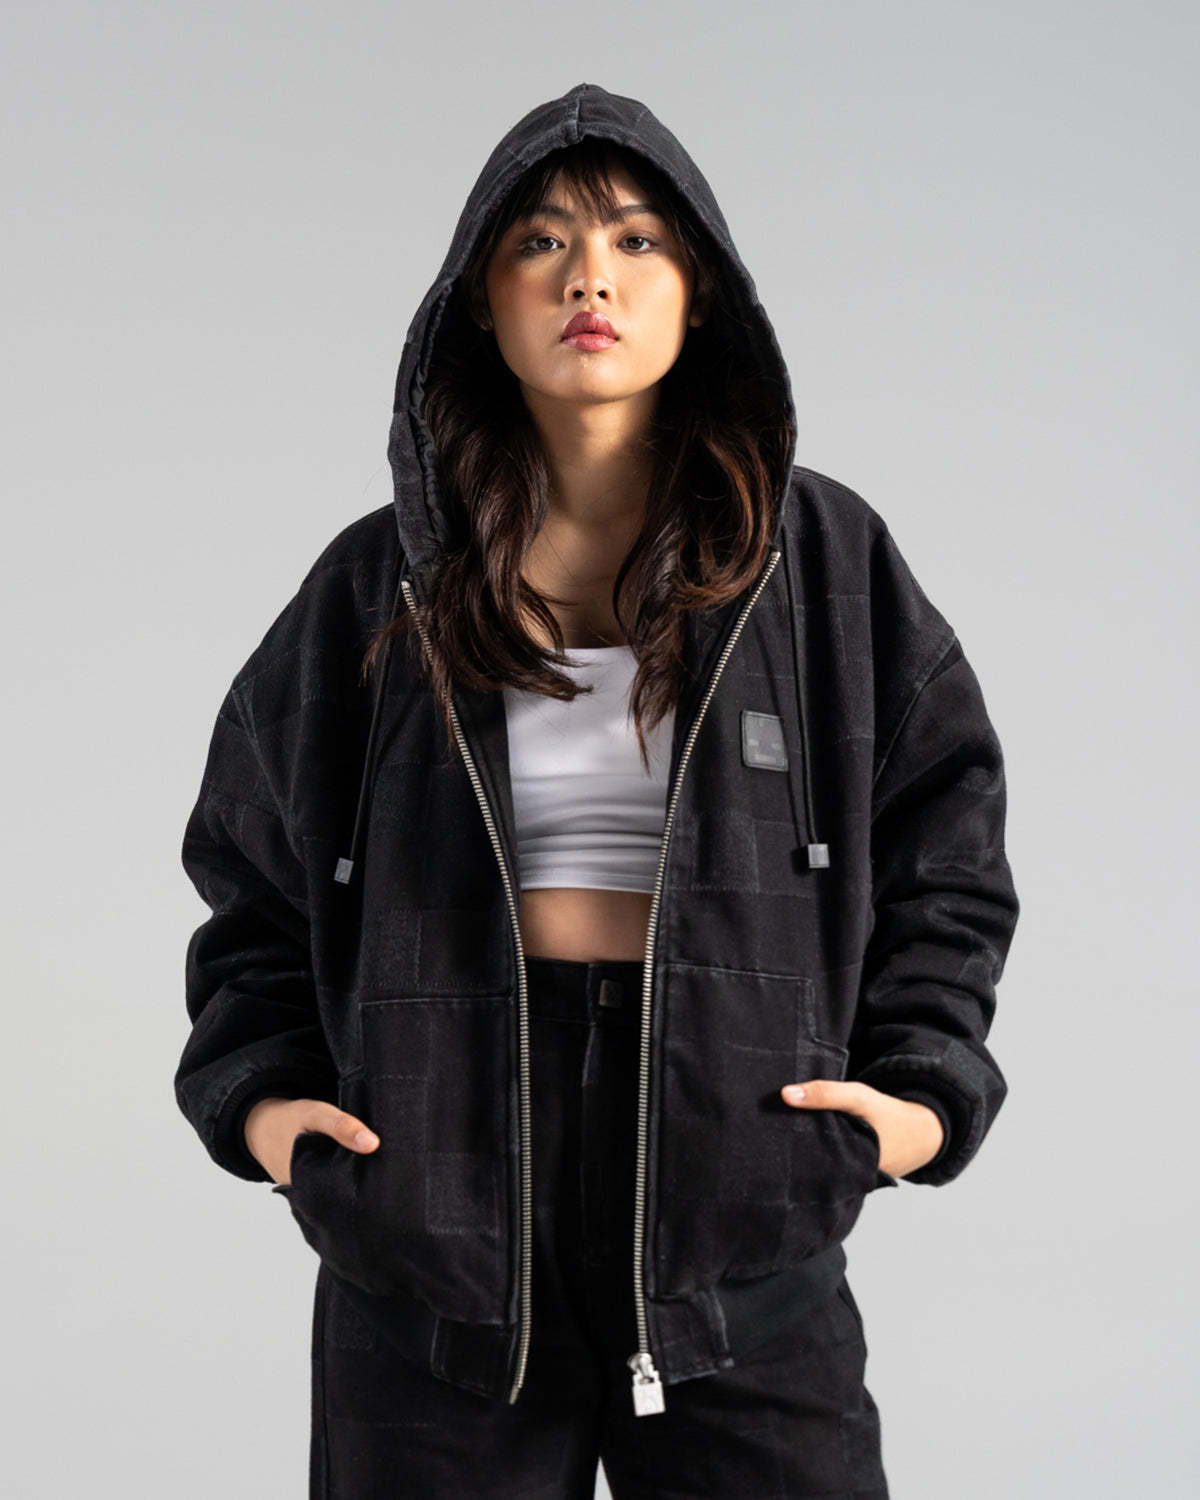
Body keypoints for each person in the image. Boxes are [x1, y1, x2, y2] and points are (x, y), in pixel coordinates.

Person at [174, 81, 1020, 1500]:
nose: (589, 277)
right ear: (479, 301)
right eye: (541, 243)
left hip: (740, 1194)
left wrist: (918, 1096)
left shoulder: (821, 562)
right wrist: (265, 1108)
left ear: (702, 292)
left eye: (635, 240)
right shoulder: (377, 585)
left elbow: (950, 844)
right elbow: (251, 868)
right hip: (435, 1217)